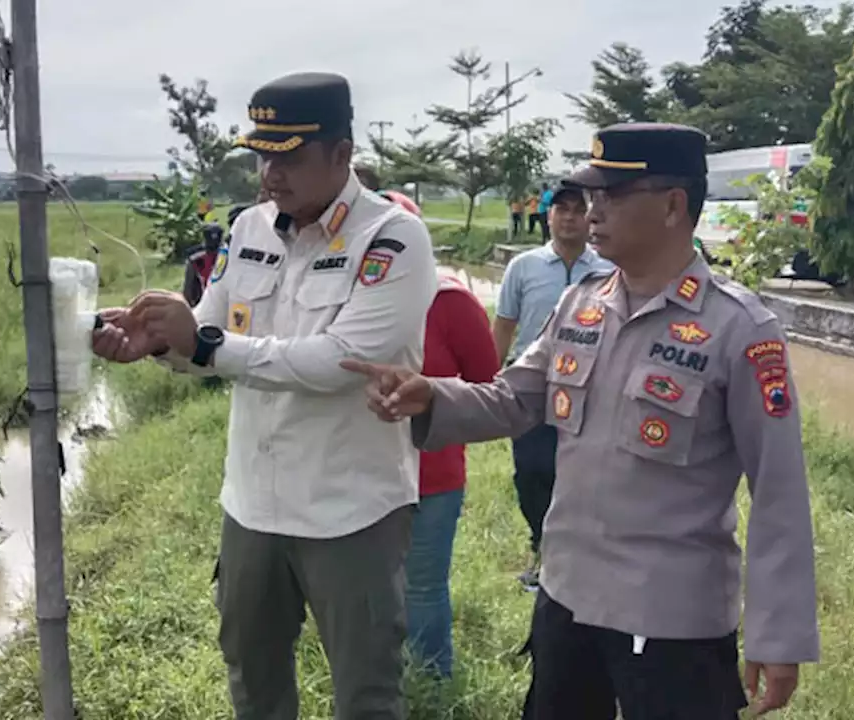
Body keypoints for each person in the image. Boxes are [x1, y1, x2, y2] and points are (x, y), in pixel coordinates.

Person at [343, 123, 820, 719]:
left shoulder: (739, 331)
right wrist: (432, 398)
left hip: (670, 618)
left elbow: (778, 489)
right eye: (591, 194)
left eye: (613, 195)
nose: (593, 210)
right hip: (566, 597)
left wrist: (780, 634)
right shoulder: (581, 304)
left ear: (674, 205)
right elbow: (516, 399)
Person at [92, 71, 438, 719]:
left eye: (290, 156)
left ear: (342, 154)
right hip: (251, 507)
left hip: (350, 514)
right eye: (261, 154)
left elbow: (341, 360)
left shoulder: (391, 239)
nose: (270, 173)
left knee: (366, 694)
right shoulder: (249, 228)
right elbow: (209, 334)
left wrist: (202, 344)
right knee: (254, 682)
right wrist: (159, 342)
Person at [492, 185, 612, 591]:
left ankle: (572, 560)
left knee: (579, 473)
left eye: (580, 210)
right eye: (563, 209)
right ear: (549, 216)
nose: (570, 217)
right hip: (531, 387)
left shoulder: (607, 272)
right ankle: (543, 544)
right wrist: (490, 381)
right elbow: (505, 325)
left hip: (588, 388)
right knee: (530, 471)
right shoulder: (523, 267)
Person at [406, 271, 499, 677]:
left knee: (422, 587)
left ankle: (430, 685)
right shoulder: (343, 293)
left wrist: (430, 394)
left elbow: (486, 385)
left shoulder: (448, 302)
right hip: (350, 474)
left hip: (431, 476)